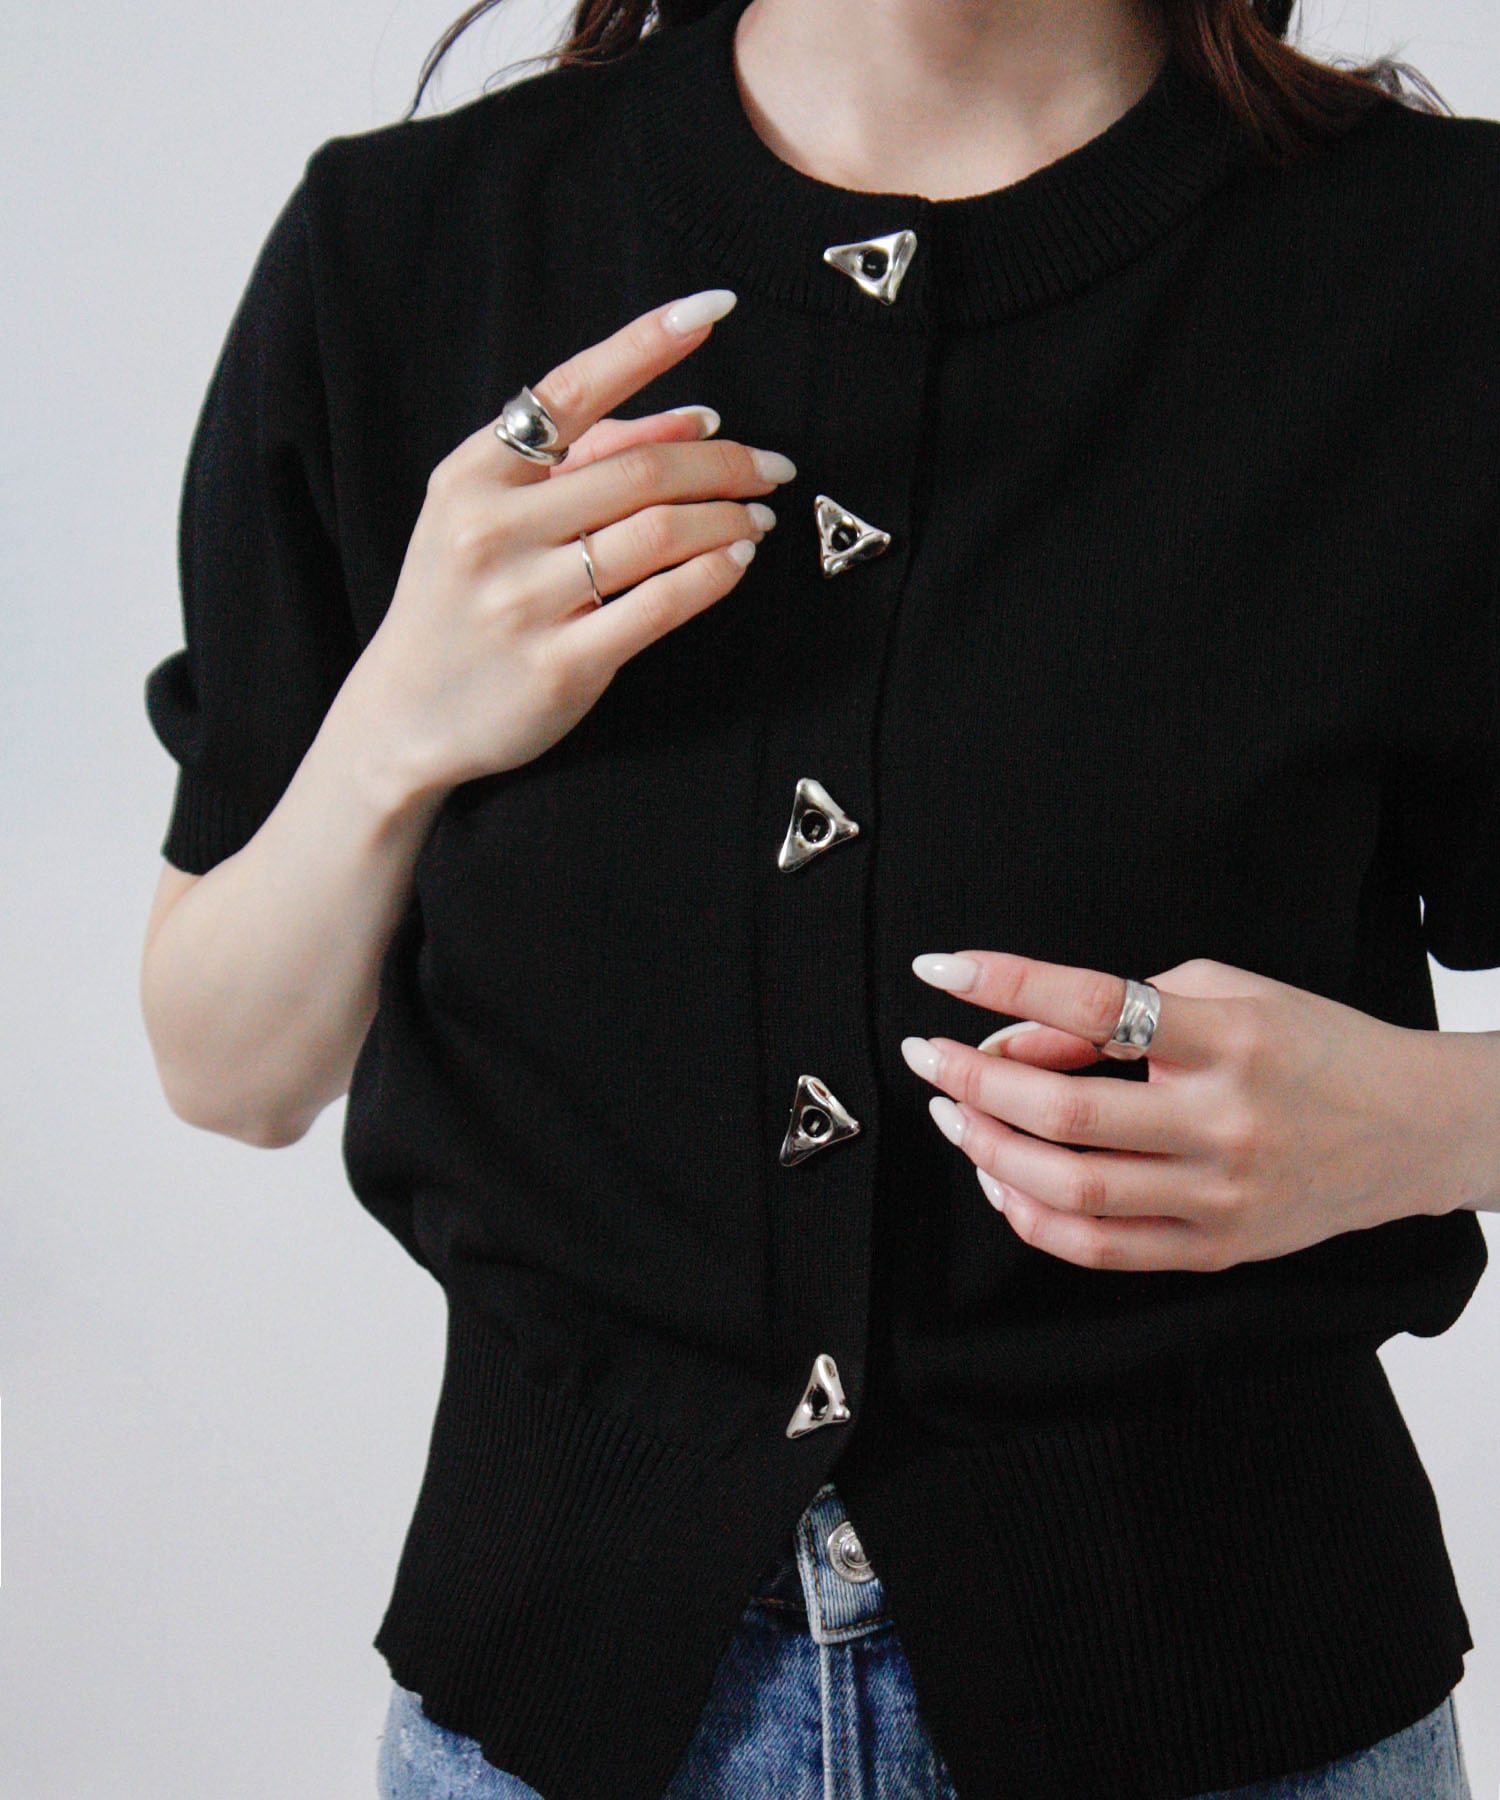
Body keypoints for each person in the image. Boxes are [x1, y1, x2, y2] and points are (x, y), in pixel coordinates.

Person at [138, 0, 1497, 1795]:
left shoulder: (1442, 268)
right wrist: (394, 725)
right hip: (549, 1716)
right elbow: (230, 1069)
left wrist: (1429, 1125)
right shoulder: (404, 251)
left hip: (1242, 1708)